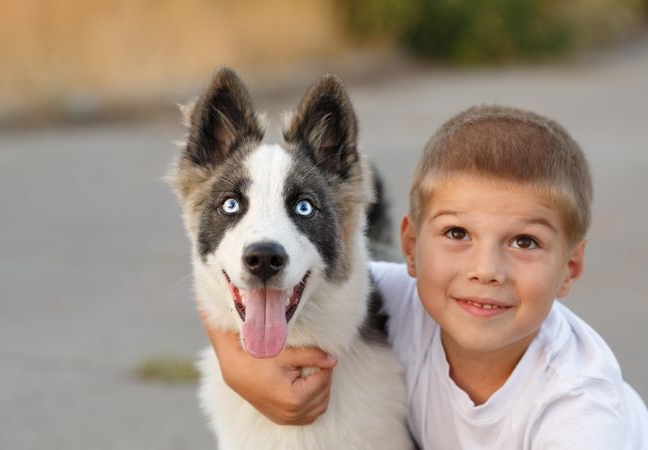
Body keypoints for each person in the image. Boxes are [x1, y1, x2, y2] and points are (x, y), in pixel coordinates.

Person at [204, 105, 648, 448]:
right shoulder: (402, 299)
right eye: (458, 233)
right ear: (412, 248)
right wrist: (239, 367)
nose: (486, 271)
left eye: (524, 242)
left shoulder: (580, 411)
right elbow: (253, 293)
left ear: (570, 268)